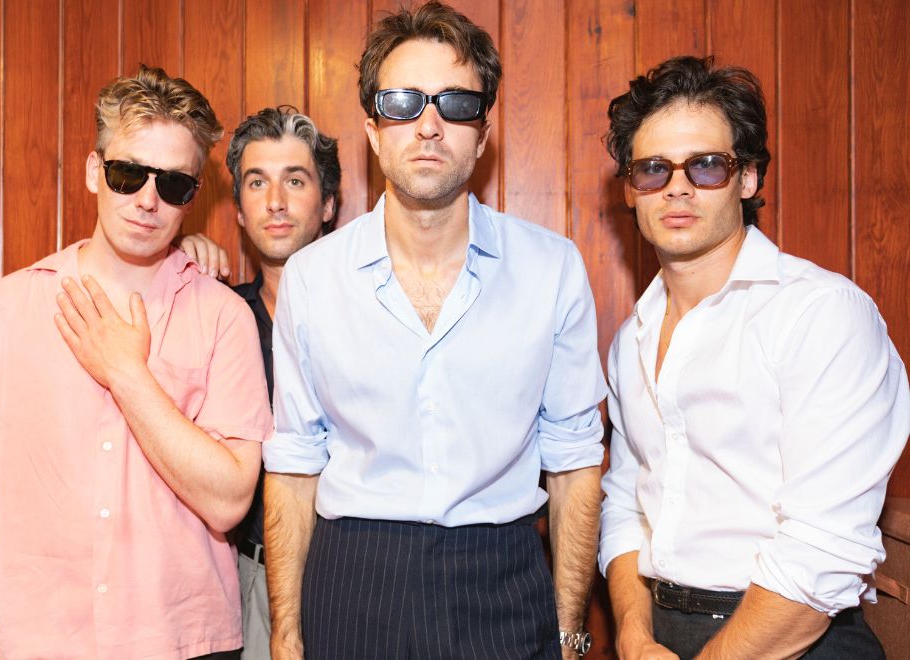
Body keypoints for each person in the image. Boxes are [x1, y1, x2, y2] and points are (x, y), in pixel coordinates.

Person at [262, 3, 605, 659]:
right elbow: (295, 464)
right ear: (372, 131)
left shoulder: (552, 268)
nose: (428, 125)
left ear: (482, 134)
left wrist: (570, 636)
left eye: (455, 103)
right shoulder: (312, 277)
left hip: (505, 581)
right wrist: (285, 634)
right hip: (353, 580)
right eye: (402, 102)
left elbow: (574, 462)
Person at [0, 65, 273, 659]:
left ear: (193, 197)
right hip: (42, 642)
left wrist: (126, 373)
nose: (148, 201)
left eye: (173, 184)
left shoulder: (224, 317)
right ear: (92, 172)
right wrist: (2, 628)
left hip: (185, 641)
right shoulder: (5, 309)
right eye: (127, 174)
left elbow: (229, 498)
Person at [599, 55, 910, 659]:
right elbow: (626, 504)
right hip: (662, 633)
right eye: (653, 169)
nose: (677, 187)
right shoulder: (630, 337)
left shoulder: (821, 315)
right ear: (631, 191)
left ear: (747, 178)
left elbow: (821, 550)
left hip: (795, 635)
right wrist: (634, 638)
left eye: (706, 165)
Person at [181, 105, 340, 660]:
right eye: (256, 182)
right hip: (253, 573)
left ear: (327, 204)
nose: (275, 201)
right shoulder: (216, 315)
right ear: (240, 213)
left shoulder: (370, 316)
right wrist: (173, 258)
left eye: (295, 180)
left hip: (356, 572)